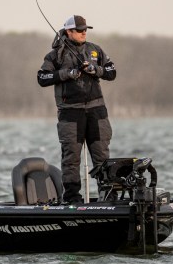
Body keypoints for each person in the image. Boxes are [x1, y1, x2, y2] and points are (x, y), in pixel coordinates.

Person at [37, 15, 116, 203]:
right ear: (69, 31)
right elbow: (42, 78)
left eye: (85, 29)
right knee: (71, 158)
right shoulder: (55, 55)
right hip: (70, 113)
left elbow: (112, 72)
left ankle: (108, 195)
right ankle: (73, 198)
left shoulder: (95, 50)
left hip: (97, 111)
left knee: (102, 156)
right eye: (79, 30)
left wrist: (95, 70)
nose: (83, 33)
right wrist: (67, 73)